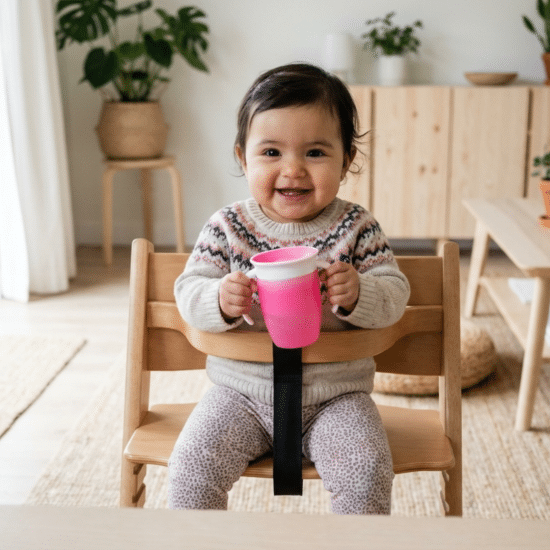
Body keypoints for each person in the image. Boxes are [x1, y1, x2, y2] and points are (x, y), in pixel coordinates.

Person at [168, 63, 410, 514]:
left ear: (347, 159)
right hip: (238, 394)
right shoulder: (227, 227)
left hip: (337, 397)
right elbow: (188, 292)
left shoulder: (357, 227)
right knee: (190, 468)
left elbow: (395, 294)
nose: (293, 169)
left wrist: (360, 294)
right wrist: (218, 300)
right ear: (244, 158)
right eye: (272, 152)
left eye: (316, 152)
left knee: (368, 470)